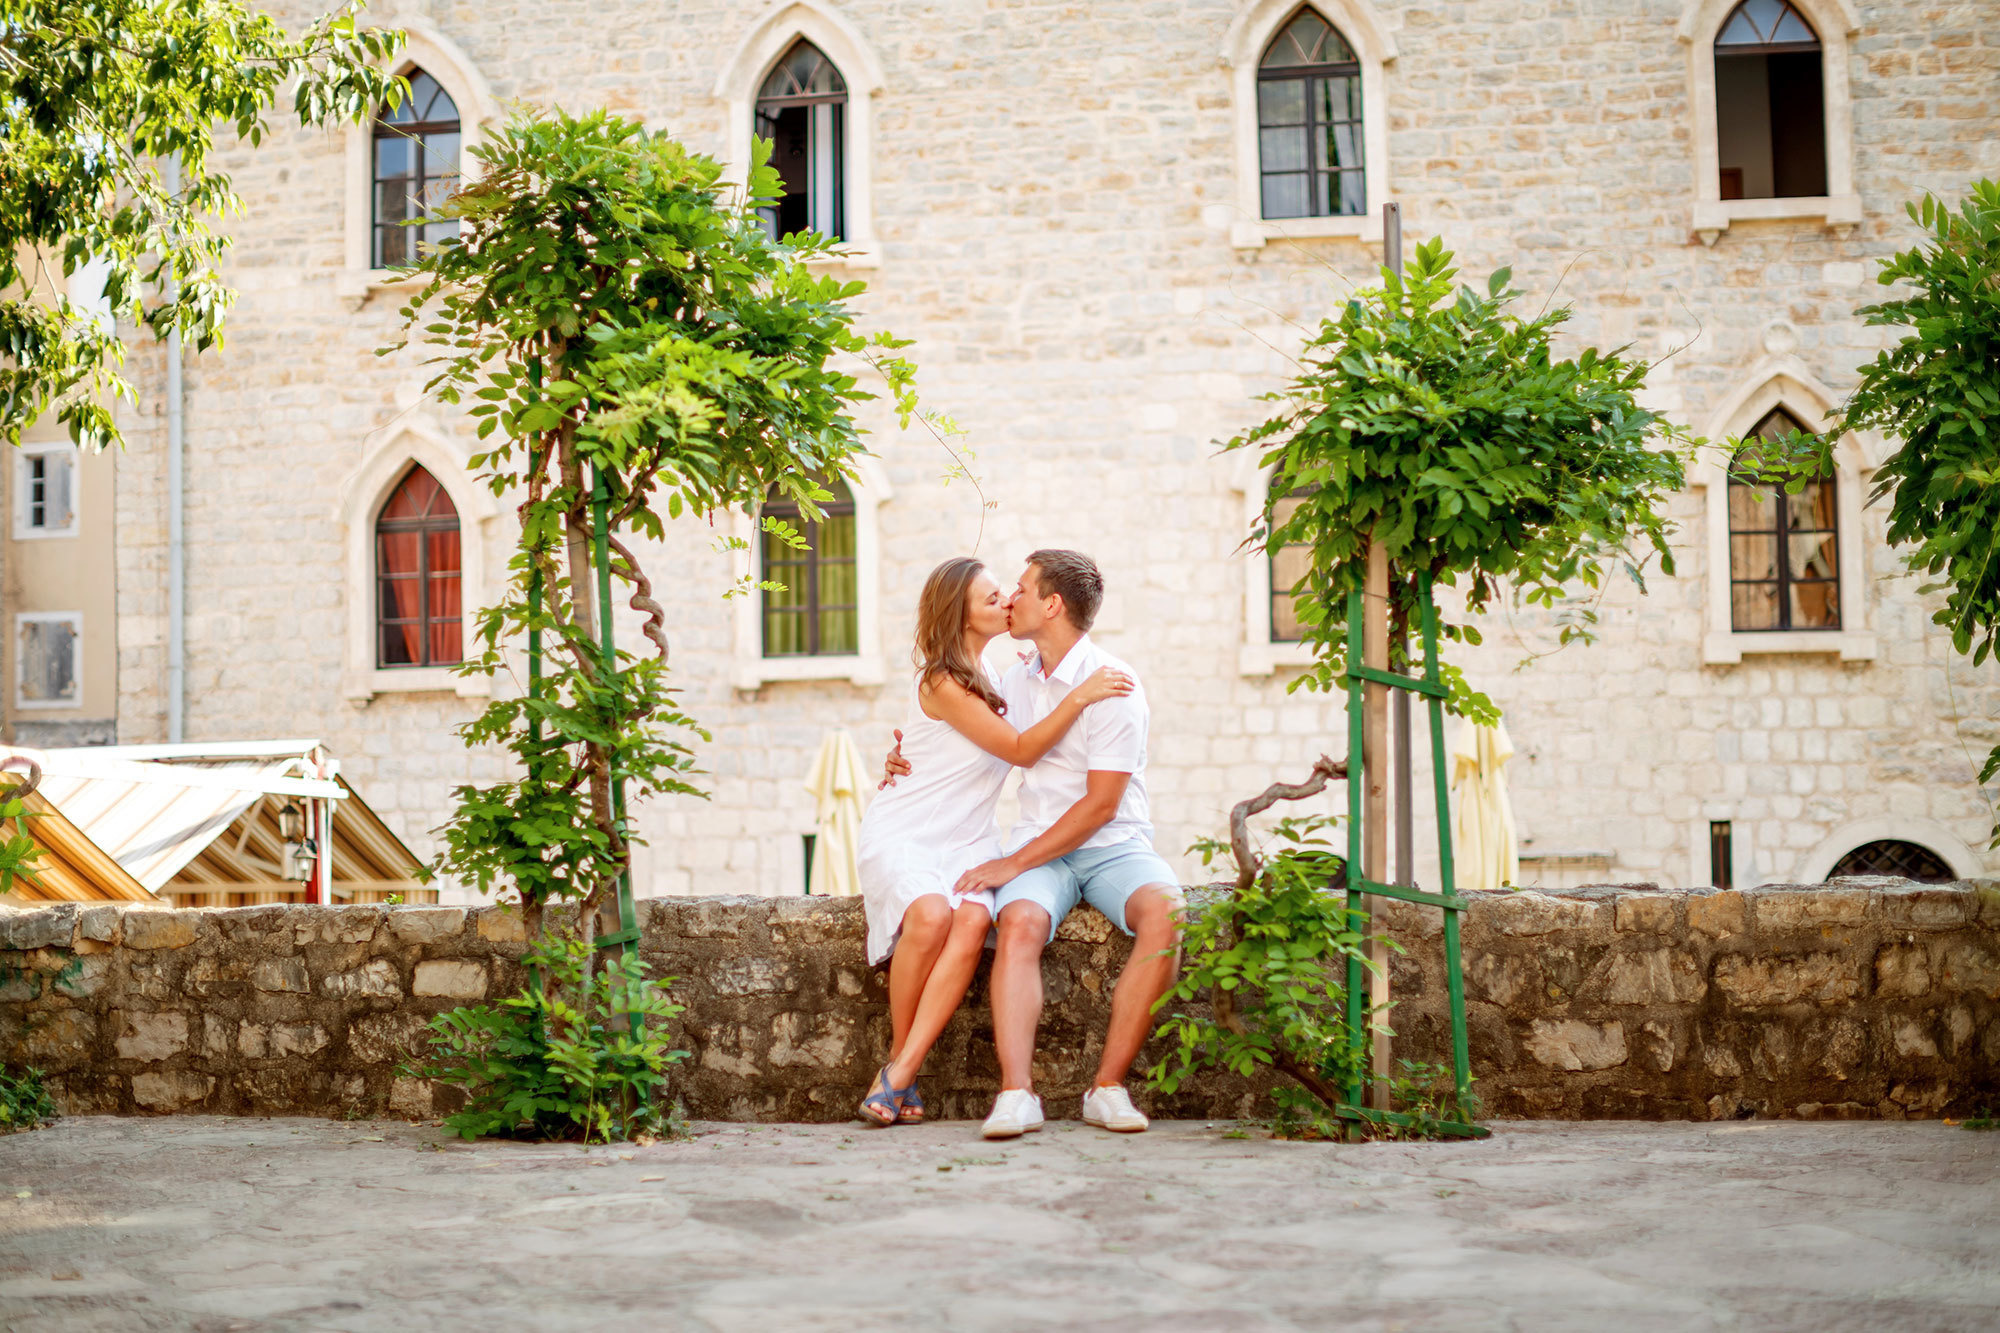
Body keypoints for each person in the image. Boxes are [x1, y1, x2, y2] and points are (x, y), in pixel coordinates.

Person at [885, 549, 1183, 1140]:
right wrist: (902, 759)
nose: (1012, 599)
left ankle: (1108, 1088)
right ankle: (1017, 1095)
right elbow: (959, 730)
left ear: (1052, 604)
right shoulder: (1012, 680)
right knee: (1018, 923)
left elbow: (1101, 806)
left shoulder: (1114, 686)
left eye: (1020, 589)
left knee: (1167, 912)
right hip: (1037, 845)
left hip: (1111, 843)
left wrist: (1013, 862)